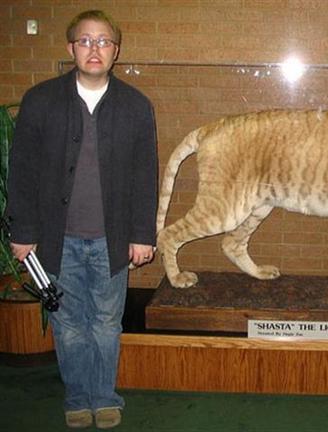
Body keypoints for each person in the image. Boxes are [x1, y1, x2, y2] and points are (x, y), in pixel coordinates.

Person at [6, 10, 158, 429]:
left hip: (112, 241)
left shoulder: (135, 106)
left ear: (116, 51)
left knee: (107, 325)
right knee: (69, 324)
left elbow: (146, 175)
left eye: (103, 41)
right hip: (58, 241)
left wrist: (142, 235)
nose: (95, 49)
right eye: (86, 41)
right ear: (71, 47)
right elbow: (21, 170)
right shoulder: (41, 100)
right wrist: (23, 232)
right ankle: (77, 398)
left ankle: (105, 397)